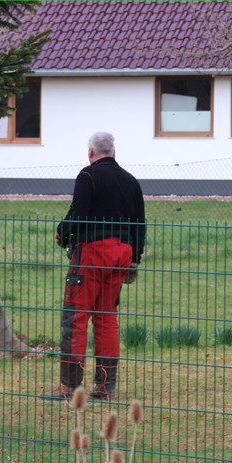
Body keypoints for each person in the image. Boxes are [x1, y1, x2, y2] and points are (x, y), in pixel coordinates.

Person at [41, 132, 146, 401]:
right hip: (122, 254)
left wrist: (62, 232)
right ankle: (106, 387)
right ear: (114, 152)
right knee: (106, 317)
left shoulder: (87, 176)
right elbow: (139, 223)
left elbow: (78, 214)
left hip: (92, 253)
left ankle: (69, 387)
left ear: (90, 152)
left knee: (76, 317)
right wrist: (135, 258)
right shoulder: (130, 180)